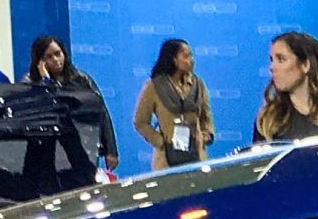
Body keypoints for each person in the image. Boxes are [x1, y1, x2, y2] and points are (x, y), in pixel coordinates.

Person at [24, 34, 118, 178]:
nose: (56, 60)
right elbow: (49, 105)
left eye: (58, 54)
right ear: (40, 61)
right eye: (49, 57)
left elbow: (101, 113)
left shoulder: (81, 79)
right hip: (50, 150)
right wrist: (46, 80)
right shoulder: (30, 83)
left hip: (84, 147)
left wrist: (111, 150)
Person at [253, 30, 318, 142]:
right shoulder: (268, 120)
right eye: (272, 60)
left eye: (281, 59)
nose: (272, 67)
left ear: (305, 65)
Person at [134, 38, 213, 171]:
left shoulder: (198, 85)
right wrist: (160, 142)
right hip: (167, 160)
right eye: (186, 56)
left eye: (191, 56)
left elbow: (206, 116)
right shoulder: (154, 86)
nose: (191, 60)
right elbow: (140, 122)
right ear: (173, 59)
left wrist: (206, 135)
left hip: (197, 157)